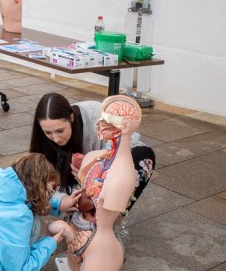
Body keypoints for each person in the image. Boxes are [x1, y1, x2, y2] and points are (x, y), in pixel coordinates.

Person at [48, 95, 143, 271]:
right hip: (79, 228)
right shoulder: (93, 157)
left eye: (109, 122)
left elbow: (108, 212)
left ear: (125, 126)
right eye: (102, 119)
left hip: (99, 242)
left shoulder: (122, 174)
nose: (100, 125)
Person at [29, 93, 155, 221]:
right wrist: (61, 201)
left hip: (108, 171)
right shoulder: (42, 139)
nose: (55, 138)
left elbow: (129, 143)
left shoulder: (96, 115)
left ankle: (111, 221)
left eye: (60, 131)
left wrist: (94, 167)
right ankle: (86, 218)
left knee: (144, 158)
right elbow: (34, 185)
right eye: (48, 133)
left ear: (71, 118)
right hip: (76, 188)